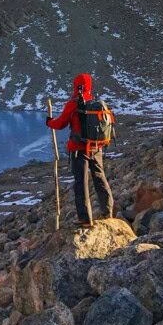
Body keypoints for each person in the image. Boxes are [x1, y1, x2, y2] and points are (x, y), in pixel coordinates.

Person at [46, 73, 115, 228]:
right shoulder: (94, 102)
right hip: (96, 147)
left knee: (81, 182)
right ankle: (107, 211)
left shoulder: (74, 103)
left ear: (76, 85)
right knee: (99, 177)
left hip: (79, 149)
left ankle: (85, 219)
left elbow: (61, 122)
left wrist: (50, 122)